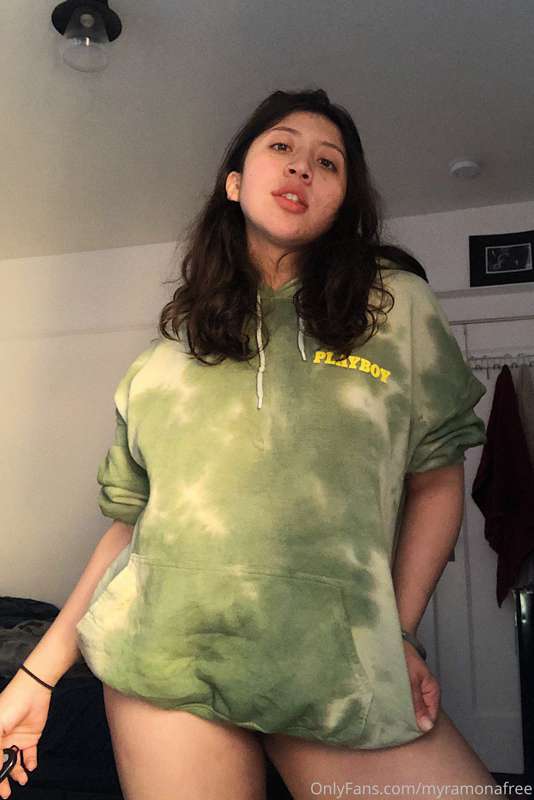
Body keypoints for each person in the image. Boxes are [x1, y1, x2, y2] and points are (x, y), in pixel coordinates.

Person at [0, 88, 501, 800]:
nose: (302, 167)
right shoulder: (163, 361)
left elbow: (437, 482)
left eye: (327, 162)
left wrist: (398, 635)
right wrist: (36, 675)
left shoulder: (395, 310)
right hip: (162, 663)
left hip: (334, 668)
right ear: (235, 183)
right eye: (282, 147)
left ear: (342, 202)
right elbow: (133, 531)